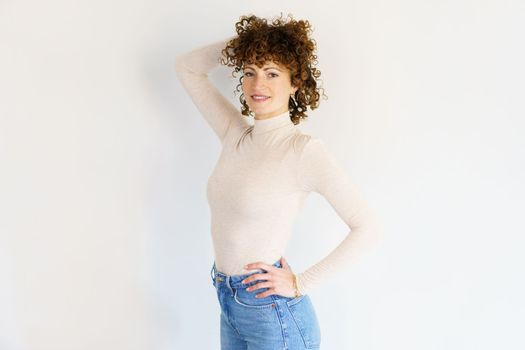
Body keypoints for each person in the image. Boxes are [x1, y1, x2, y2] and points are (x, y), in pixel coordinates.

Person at [175, 13, 383, 350]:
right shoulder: (234, 135)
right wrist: (249, 44)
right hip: (228, 302)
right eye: (250, 72)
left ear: (295, 82)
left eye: (273, 73)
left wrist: (301, 283)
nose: (258, 85)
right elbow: (187, 67)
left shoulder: (304, 151)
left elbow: (368, 228)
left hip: (272, 314)